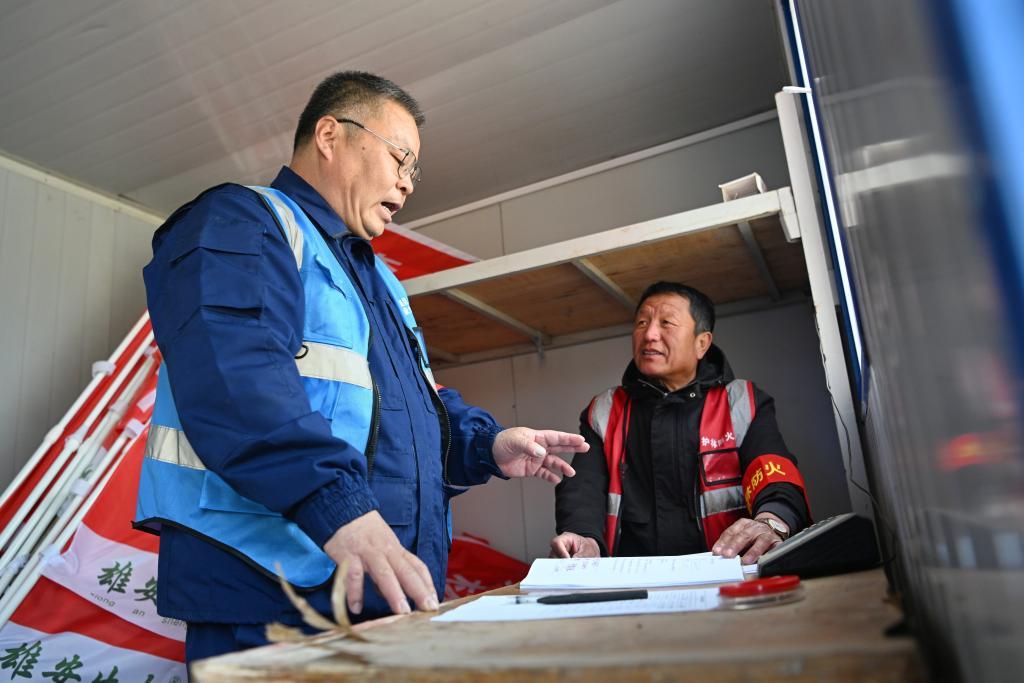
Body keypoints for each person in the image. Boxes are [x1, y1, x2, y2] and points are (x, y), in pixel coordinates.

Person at [134, 71, 588, 662]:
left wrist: (486, 445)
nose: (407, 183)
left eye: (415, 171)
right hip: (273, 597)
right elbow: (236, 381)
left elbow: (406, 414)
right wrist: (336, 505)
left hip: (377, 597)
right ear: (330, 135)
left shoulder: (377, 279)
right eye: (401, 159)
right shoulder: (241, 221)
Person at [551, 282, 809, 562]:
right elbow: (583, 487)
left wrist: (772, 520)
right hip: (634, 575)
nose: (649, 334)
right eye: (641, 323)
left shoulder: (742, 401)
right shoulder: (605, 409)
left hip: (729, 568)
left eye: (666, 323)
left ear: (702, 343)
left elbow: (773, 470)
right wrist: (583, 536)